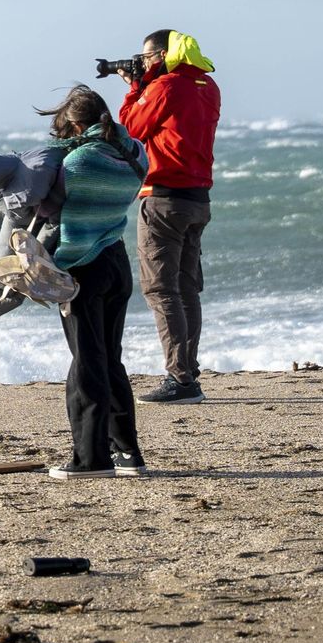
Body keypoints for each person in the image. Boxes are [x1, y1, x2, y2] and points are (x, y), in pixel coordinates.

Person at [34, 85, 150, 479]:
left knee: (86, 362)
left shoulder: (77, 162)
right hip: (117, 261)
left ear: (76, 124)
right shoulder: (135, 153)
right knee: (109, 359)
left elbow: (45, 206)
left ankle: (90, 459)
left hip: (82, 268)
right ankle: (127, 453)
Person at [117, 30, 220, 405]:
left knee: (161, 289)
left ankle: (180, 379)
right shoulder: (206, 86)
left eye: (146, 58)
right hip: (198, 199)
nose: (142, 64)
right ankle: (188, 371)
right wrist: (145, 81)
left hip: (164, 198)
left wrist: (134, 88)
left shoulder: (166, 87)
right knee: (186, 288)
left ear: (162, 55)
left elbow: (129, 130)